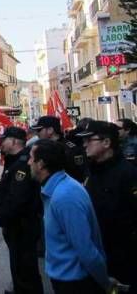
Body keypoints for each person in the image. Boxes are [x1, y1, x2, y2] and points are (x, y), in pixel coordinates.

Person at [28, 139, 116, 294]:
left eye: (31, 158)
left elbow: (86, 250)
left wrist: (105, 283)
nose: (28, 163)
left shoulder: (65, 196)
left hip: (76, 283)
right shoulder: (57, 189)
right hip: (67, 279)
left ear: (41, 164)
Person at [78, 121, 137, 293]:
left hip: (123, 255)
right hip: (98, 252)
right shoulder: (92, 170)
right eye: (84, 140)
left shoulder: (127, 173)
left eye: (90, 140)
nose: (85, 144)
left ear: (106, 143)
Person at [0, 127, 43, 294]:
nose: (1, 143)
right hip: (16, 227)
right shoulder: (13, 161)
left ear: (14, 141)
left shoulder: (22, 163)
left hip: (22, 227)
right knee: (18, 267)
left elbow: (18, 199)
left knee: (25, 269)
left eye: (4, 139)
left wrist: (3, 217)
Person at [31, 116, 86, 182]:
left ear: (50, 130)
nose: (37, 133)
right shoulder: (41, 148)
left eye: (39, 130)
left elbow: (79, 174)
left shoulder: (69, 149)